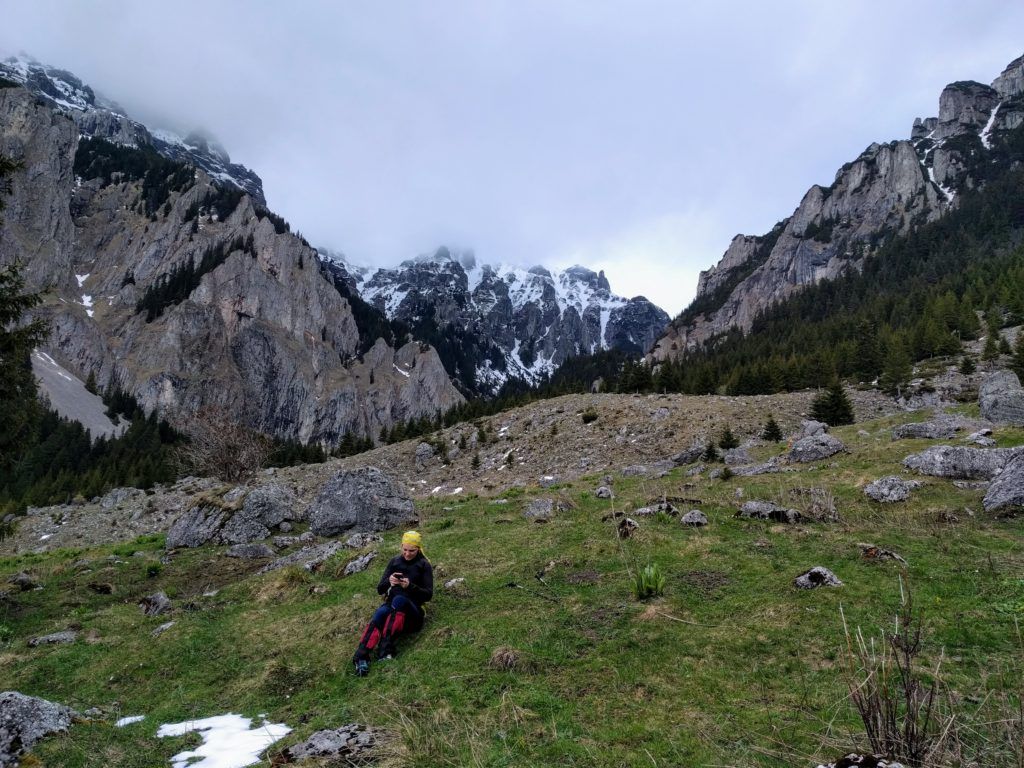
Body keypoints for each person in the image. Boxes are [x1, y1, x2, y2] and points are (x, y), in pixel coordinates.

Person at [352, 530, 433, 676]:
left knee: (399, 600)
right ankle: (361, 657)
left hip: (413, 614)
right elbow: (380, 589)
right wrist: (389, 581)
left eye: (412, 551)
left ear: (419, 549)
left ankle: (386, 652)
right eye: (405, 550)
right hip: (392, 609)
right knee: (381, 612)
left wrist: (409, 586)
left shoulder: (424, 565)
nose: (407, 554)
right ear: (401, 546)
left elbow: (428, 595)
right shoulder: (395, 561)